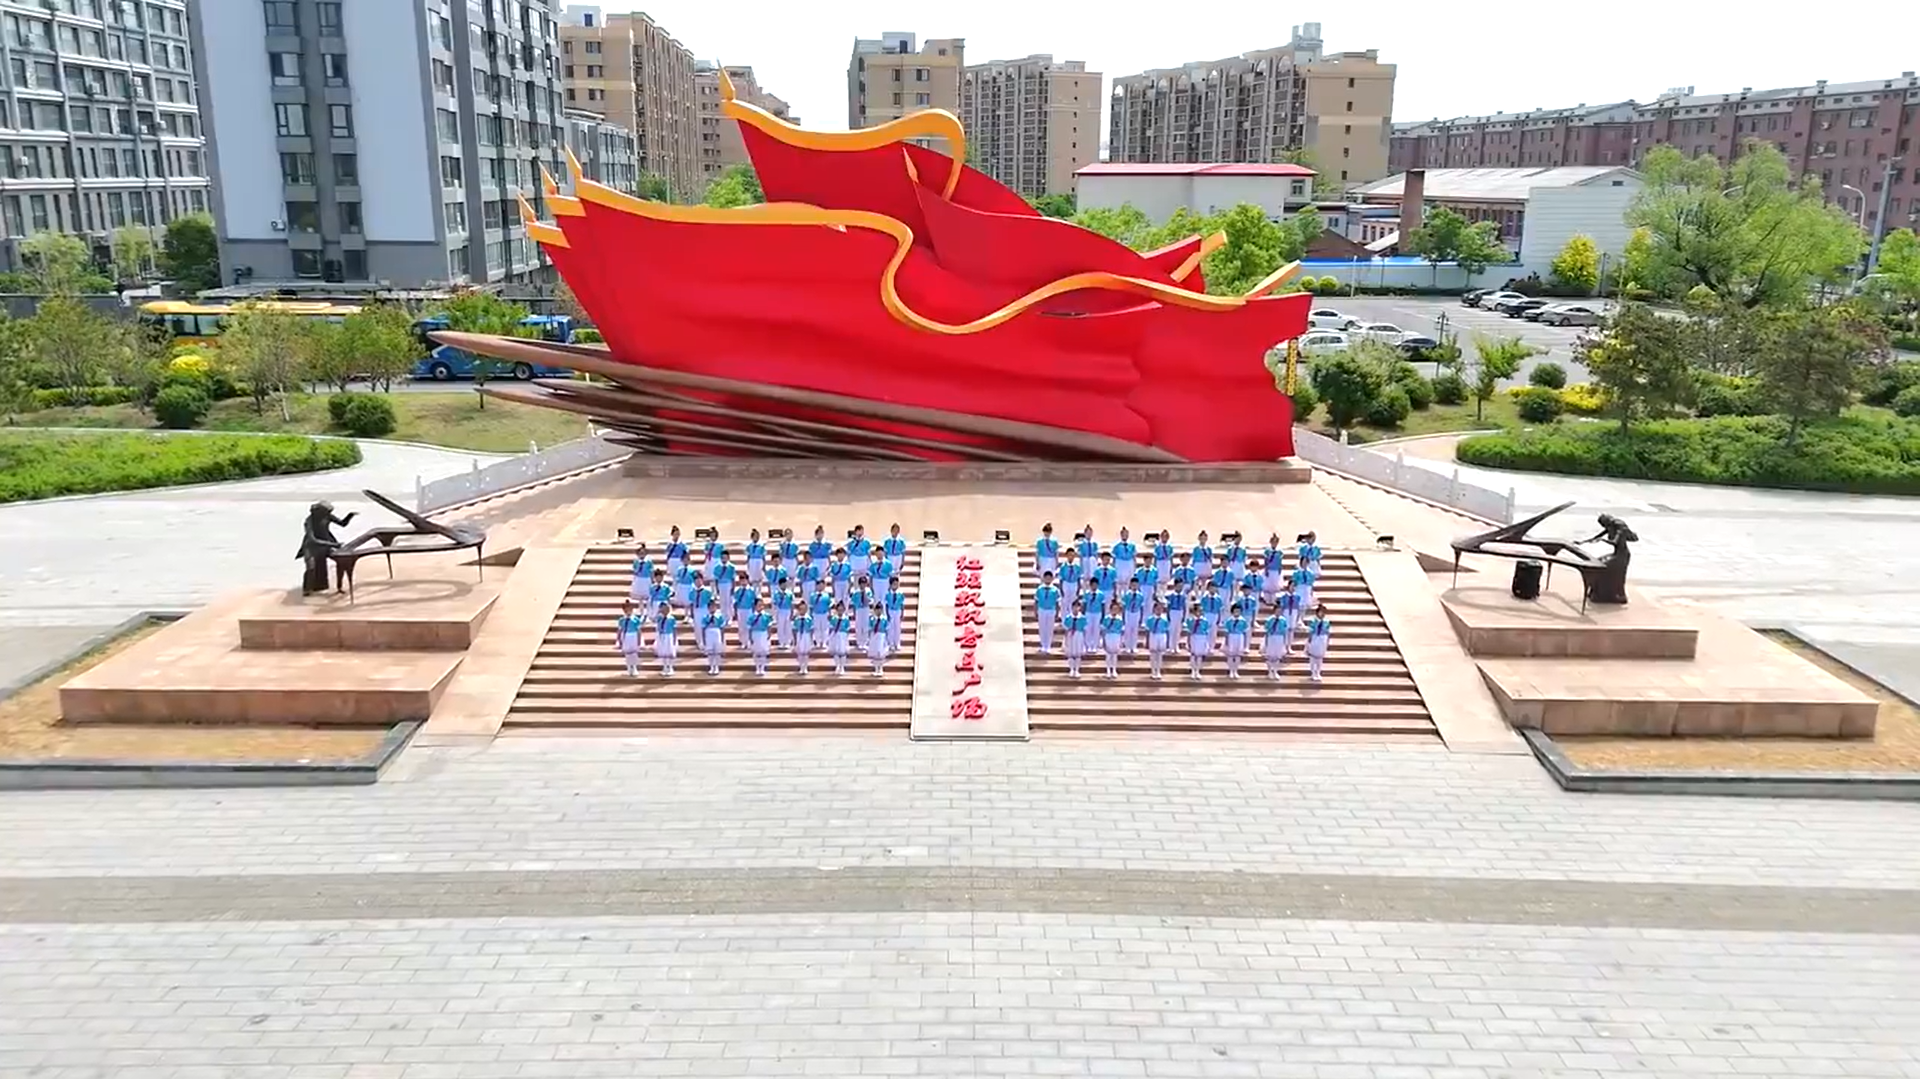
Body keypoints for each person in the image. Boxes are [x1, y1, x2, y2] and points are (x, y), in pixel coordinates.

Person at [1033, 570, 1062, 654]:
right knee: (1042, 628)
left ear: (1052, 579)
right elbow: (1036, 601)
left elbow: (1057, 602)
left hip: (1051, 610)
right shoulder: (1039, 589)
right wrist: (1035, 611)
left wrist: (1057, 612)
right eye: (1046, 578)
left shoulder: (1055, 590)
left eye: (1050, 578)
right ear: (1044, 578)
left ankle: (1048, 646)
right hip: (1042, 609)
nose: (1048, 580)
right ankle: (1043, 645)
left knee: (1049, 628)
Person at [615, 600, 645, 677]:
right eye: (626, 610)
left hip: (633, 636)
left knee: (634, 653)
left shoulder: (636, 620)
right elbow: (619, 630)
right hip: (626, 636)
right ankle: (629, 668)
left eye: (629, 610)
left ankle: (634, 667)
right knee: (627, 654)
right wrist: (619, 640)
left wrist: (639, 640)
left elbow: (639, 631)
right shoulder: (622, 620)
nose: (628, 611)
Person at [1197, 581, 1226, 661]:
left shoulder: (1218, 598)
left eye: (1214, 588)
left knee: (1213, 632)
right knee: (1206, 632)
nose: (1212, 589)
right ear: (1208, 588)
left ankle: (1211, 647)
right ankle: (1204, 647)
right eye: (1211, 588)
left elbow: (1220, 610)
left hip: (1214, 614)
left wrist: (1219, 619)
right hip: (1207, 614)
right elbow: (1201, 608)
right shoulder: (1204, 597)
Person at [1144, 601, 1173, 681]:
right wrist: (1147, 641)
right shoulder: (1150, 619)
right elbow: (1147, 630)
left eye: (1161, 609)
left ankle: (1158, 671)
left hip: (1161, 635)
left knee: (1160, 654)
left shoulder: (1165, 619)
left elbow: (1167, 630)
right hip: (1153, 635)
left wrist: (1167, 642)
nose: (1159, 610)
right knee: (1153, 655)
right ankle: (1153, 671)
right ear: (1154, 609)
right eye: (1157, 609)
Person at [1305, 603, 1333, 683]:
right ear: (1317, 613)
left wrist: (1327, 641)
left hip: (1322, 639)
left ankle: (1318, 672)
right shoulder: (1313, 621)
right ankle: (1313, 673)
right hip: (1315, 638)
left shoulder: (1326, 622)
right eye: (1321, 612)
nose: (1322, 614)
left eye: (1324, 612)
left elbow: (1328, 632)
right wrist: (1309, 641)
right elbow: (1310, 632)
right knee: (1313, 657)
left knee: (1320, 657)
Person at [1062, 598, 1090, 679]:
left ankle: (1077, 670)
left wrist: (1085, 640)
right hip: (1070, 635)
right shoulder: (1068, 617)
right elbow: (1065, 628)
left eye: (1078, 607)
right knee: (1071, 653)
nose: (1076, 608)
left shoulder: (1083, 618)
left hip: (1079, 635)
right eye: (1074, 607)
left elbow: (1085, 629)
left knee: (1078, 653)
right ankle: (1071, 669)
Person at [747, 598, 775, 677]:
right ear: (755, 606)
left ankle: (762, 667)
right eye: (758, 605)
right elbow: (749, 628)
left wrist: (769, 634)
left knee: (763, 651)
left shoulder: (767, 616)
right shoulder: (751, 616)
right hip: (755, 633)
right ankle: (757, 667)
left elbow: (769, 626)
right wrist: (750, 637)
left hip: (763, 633)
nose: (760, 607)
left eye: (762, 605)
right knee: (756, 651)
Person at [711, 548, 739, 625]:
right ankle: (723, 618)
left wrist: (733, 588)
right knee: (722, 602)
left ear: (728, 558)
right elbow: (716, 579)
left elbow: (733, 579)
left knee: (729, 602)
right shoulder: (717, 567)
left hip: (728, 584)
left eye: (725, 557)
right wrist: (717, 588)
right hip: (721, 585)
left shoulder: (732, 567)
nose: (724, 559)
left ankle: (729, 618)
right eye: (722, 558)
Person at [1223, 606, 1251, 680]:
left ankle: (1235, 670)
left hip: (1240, 637)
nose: (1237, 613)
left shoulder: (1243, 621)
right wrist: (1226, 642)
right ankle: (1231, 670)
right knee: (1230, 655)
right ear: (1232, 612)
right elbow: (1226, 632)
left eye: (1238, 611)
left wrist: (1245, 643)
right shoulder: (1229, 621)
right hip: (1231, 636)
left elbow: (1245, 632)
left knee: (1238, 655)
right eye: (1235, 611)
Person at [1184, 606, 1212, 680]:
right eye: (1198, 611)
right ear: (1194, 612)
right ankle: (1193, 671)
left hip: (1202, 637)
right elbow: (1189, 631)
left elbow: (1206, 631)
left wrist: (1206, 641)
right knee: (1193, 655)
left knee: (1199, 655)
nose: (1199, 613)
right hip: (1194, 637)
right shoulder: (1190, 620)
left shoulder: (1205, 621)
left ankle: (1198, 671)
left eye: (1201, 611)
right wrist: (1188, 641)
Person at [1276, 581, 1305, 655]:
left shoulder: (1297, 597)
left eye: (1294, 586)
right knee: (1285, 630)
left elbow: (1298, 607)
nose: (1293, 588)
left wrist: (1298, 617)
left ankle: (1289, 646)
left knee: (1291, 630)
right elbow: (1281, 607)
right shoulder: (1283, 596)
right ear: (1288, 586)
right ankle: (1283, 646)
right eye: (1292, 586)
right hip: (1286, 612)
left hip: (1294, 613)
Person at [700, 598, 727, 676]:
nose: (712, 608)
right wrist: (703, 639)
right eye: (711, 607)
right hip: (709, 633)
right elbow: (703, 628)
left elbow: (722, 628)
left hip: (717, 632)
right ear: (708, 608)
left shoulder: (719, 617)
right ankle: (711, 666)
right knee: (710, 651)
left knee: (717, 651)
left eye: (714, 606)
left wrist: (722, 638)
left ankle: (717, 666)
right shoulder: (705, 617)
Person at [1261, 607, 1289, 681]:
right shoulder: (1270, 620)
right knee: (1270, 655)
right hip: (1271, 637)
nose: (1278, 612)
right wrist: (1266, 641)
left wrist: (1284, 641)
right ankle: (1270, 671)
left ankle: (1275, 671)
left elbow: (1285, 631)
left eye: (1280, 611)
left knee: (1277, 656)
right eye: (1277, 611)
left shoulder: (1283, 620)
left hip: (1279, 638)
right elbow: (1266, 630)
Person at [1120, 577, 1147, 654]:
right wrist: (1123, 616)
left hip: (1136, 612)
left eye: (1136, 585)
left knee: (1135, 630)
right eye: (1133, 585)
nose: (1134, 587)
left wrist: (1141, 618)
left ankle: (1134, 646)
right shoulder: (1126, 595)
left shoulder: (1140, 595)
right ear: (1130, 585)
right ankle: (1127, 646)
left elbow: (1142, 607)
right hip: (1128, 612)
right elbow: (1123, 606)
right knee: (1128, 630)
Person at [652, 602, 680, 676]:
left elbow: (674, 629)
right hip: (662, 635)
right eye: (663, 609)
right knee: (663, 652)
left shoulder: (671, 619)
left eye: (666, 609)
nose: (664, 610)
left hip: (669, 636)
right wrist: (658, 612)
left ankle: (670, 667)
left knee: (669, 652)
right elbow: (654, 620)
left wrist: (674, 638)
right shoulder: (659, 618)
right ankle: (664, 667)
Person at [1100, 602, 1126, 680]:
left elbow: (1122, 630)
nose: (1115, 611)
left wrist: (1121, 640)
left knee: (1115, 654)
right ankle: (1108, 670)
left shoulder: (1120, 619)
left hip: (1116, 636)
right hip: (1108, 635)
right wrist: (1103, 639)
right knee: (1108, 654)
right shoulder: (1106, 618)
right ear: (1110, 609)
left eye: (1116, 609)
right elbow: (1103, 629)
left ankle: (1114, 669)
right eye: (1113, 609)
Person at [849, 576, 875, 650]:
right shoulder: (856, 592)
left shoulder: (868, 591)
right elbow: (853, 603)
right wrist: (854, 612)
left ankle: (865, 642)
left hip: (866, 609)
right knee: (859, 626)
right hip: (859, 609)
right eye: (861, 584)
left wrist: (864, 594)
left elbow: (870, 601)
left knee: (865, 625)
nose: (863, 585)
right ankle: (859, 642)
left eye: (864, 583)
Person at [828, 601, 854, 676]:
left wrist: (846, 635)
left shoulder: (846, 619)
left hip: (843, 635)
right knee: (836, 651)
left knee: (842, 652)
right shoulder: (834, 618)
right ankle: (837, 666)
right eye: (839, 610)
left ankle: (842, 667)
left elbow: (848, 628)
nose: (840, 611)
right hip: (835, 635)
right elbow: (831, 627)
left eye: (842, 610)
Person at [731, 579, 757, 649]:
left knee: (748, 626)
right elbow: (735, 602)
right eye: (742, 580)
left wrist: (754, 611)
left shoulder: (752, 590)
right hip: (740, 609)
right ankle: (743, 642)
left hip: (749, 609)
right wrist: (735, 612)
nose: (743, 582)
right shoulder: (738, 591)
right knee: (741, 626)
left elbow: (754, 601)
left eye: (745, 580)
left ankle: (749, 641)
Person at [866, 604, 891, 676]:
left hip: (881, 636)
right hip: (874, 636)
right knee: (875, 652)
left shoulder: (884, 619)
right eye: (877, 610)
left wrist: (887, 638)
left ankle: (881, 669)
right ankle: (876, 669)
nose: (878, 611)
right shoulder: (872, 619)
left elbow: (887, 629)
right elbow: (870, 628)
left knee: (881, 652)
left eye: (880, 610)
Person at [790, 604, 815, 676]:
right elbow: (794, 629)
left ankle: (805, 667)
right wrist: (794, 639)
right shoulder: (796, 619)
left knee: (806, 652)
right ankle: (801, 666)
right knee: (800, 652)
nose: (802, 611)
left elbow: (812, 629)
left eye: (804, 609)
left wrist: (811, 639)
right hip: (799, 635)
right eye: (801, 609)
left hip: (806, 634)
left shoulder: (809, 619)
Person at [772, 577, 796, 649]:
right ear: (779, 585)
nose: (784, 585)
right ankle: (781, 642)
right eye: (783, 584)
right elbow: (774, 604)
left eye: (785, 584)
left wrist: (792, 613)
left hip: (787, 610)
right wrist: (775, 613)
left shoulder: (790, 593)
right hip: (780, 610)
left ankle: (787, 642)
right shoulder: (776, 594)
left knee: (787, 627)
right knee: (780, 627)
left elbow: (792, 604)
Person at [808, 585, 834, 649]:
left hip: (824, 613)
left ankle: (824, 642)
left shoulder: (826, 595)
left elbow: (829, 605)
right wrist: (810, 614)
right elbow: (811, 606)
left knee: (824, 628)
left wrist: (830, 613)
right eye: (818, 585)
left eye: (821, 585)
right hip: (816, 613)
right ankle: (818, 642)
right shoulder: (812, 596)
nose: (820, 587)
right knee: (817, 628)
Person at [885, 580, 906, 652]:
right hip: (891, 610)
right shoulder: (887, 594)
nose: (895, 586)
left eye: (897, 584)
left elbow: (902, 604)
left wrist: (902, 613)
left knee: (897, 627)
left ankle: (897, 643)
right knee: (891, 628)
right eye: (894, 584)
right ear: (890, 585)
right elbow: (886, 605)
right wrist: (887, 614)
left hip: (897, 610)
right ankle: (890, 644)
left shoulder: (900, 594)